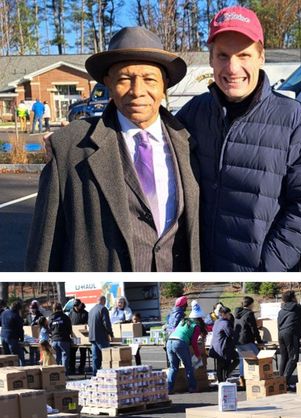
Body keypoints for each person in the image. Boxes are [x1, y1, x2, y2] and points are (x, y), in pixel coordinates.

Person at [25, 26, 200, 272]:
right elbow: (44, 251)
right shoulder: (69, 147)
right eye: (124, 79)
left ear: (165, 84)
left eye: (149, 79)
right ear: (108, 83)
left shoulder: (190, 143)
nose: (137, 91)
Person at [176, 6, 301, 271]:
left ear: (261, 57)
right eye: (223, 55)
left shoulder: (297, 121)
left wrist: (270, 267)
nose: (233, 67)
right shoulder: (193, 114)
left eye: (244, 55)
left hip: (256, 268)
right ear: (210, 59)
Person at [166, 302, 206, 393]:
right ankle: (192, 387)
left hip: (170, 341)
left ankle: (169, 388)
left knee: (173, 367)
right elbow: (194, 343)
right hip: (179, 343)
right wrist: (197, 355)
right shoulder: (195, 327)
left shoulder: (183, 321)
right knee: (189, 366)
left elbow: (176, 331)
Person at [277, 290, 301, 390]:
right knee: (293, 358)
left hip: (281, 334)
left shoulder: (281, 310)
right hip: (291, 333)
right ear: (293, 298)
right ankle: (283, 383)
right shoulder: (297, 307)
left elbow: (279, 324)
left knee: (284, 357)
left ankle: (281, 381)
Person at [234, 296, 263, 382]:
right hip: (246, 340)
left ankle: (242, 378)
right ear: (251, 304)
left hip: (237, 340)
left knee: (242, 359)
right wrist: (259, 341)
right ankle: (259, 376)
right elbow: (253, 329)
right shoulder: (249, 314)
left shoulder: (237, 313)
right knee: (258, 358)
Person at [209, 306, 239, 383]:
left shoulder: (217, 321)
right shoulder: (226, 323)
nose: (229, 315)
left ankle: (221, 381)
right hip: (223, 347)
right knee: (235, 360)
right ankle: (225, 376)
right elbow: (230, 334)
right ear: (224, 314)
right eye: (228, 314)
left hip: (215, 346)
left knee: (220, 364)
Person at [88, 296, 112, 375]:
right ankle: (108, 375)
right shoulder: (103, 309)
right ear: (104, 301)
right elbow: (106, 323)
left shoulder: (91, 310)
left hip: (92, 336)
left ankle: (95, 375)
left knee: (95, 358)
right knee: (106, 357)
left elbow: (89, 323)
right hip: (101, 336)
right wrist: (110, 333)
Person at [48, 302, 73, 373]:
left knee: (57, 357)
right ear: (61, 308)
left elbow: (49, 329)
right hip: (63, 340)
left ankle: (56, 374)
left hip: (54, 340)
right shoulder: (65, 317)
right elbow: (69, 329)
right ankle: (64, 374)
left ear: (54, 309)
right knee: (64, 356)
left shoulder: (50, 317)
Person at [0, 301, 25, 365]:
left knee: (7, 357)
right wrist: (22, 339)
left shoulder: (3, 313)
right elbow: (20, 329)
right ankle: (22, 370)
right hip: (12, 337)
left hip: (3, 336)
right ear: (18, 309)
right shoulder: (16, 316)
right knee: (18, 356)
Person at [68, 299, 89, 375]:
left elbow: (88, 323)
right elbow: (69, 322)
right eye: (75, 305)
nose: (76, 307)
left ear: (80, 304)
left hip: (83, 336)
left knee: (83, 352)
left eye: (77, 305)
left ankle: (81, 368)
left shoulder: (85, 313)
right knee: (72, 352)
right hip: (75, 336)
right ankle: (72, 368)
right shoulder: (71, 313)